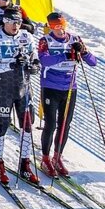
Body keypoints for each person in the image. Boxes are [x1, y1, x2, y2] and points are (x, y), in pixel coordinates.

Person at [37, 12, 97, 177]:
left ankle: (57, 157)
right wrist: (65, 55)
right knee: (50, 124)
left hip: (70, 87)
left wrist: (83, 51)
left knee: (65, 124)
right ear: (50, 26)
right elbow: (44, 61)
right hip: (50, 86)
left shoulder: (74, 39)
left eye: (62, 25)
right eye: (56, 26)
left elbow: (93, 62)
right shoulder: (45, 41)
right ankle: (45, 158)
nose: (60, 30)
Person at [0, 12, 40, 185]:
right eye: (12, 22)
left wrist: (34, 66)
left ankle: (25, 164)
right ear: (4, 21)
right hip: (5, 89)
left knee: (27, 127)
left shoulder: (26, 36)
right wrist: (12, 64)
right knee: (2, 126)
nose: (16, 25)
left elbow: (35, 58)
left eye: (18, 22)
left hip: (24, 89)